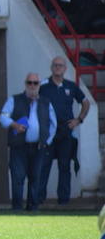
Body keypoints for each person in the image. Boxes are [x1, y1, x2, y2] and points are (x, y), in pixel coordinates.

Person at [0, 73, 56, 212]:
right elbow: (2, 117)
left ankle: (33, 207)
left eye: (35, 83)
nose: (32, 86)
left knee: (36, 177)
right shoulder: (14, 99)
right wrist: (14, 125)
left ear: (39, 85)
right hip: (19, 147)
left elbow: (53, 123)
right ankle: (17, 207)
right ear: (25, 84)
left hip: (38, 146)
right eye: (29, 82)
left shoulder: (46, 102)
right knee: (17, 177)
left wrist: (47, 141)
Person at [39, 57, 90, 206]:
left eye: (60, 65)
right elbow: (32, 100)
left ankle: (64, 202)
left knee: (64, 166)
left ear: (65, 68)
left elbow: (85, 102)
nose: (57, 67)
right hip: (48, 132)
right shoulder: (43, 85)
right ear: (51, 67)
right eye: (55, 65)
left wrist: (78, 120)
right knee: (44, 165)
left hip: (66, 132)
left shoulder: (71, 86)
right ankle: (39, 199)